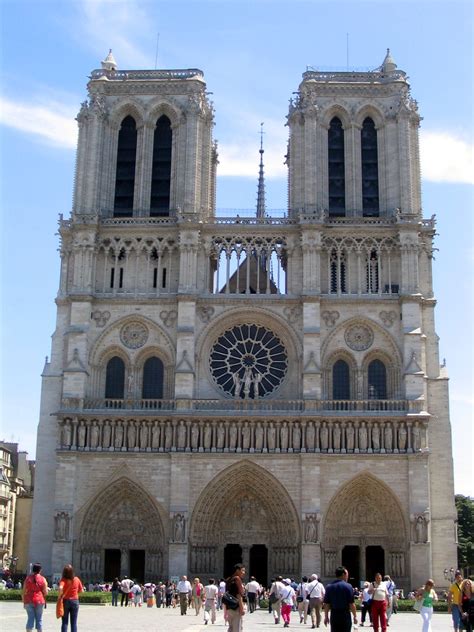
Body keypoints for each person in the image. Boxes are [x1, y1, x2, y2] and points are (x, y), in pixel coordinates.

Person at [323, 566, 357, 632]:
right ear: (343, 574)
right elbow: (351, 604)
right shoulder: (348, 586)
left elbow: (326, 604)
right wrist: (355, 616)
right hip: (345, 615)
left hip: (334, 615)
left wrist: (326, 617)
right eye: (347, 574)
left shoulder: (329, 587)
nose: (347, 576)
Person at [22, 562, 48, 632]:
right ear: (40, 570)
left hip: (28, 600)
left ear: (33, 569)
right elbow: (45, 592)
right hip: (39, 600)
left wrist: (24, 602)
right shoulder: (43, 579)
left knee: (30, 618)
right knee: (39, 619)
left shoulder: (27, 579)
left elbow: (23, 591)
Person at [58, 563, 84, 632]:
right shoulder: (77, 579)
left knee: (64, 622)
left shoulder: (63, 580)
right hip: (75, 601)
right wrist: (75, 593)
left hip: (65, 601)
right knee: (74, 623)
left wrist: (60, 596)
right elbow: (82, 591)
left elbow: (60, 588)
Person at [225, 563, 246, 632]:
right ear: (237, 570)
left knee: (231, 627)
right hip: (236, 607)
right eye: (242, 570)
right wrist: (242, 608)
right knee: (237, 628)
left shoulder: (228, 579)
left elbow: (227, 594)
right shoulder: (237, 579)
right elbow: (239, 595)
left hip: (229, 606)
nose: (244, 573)